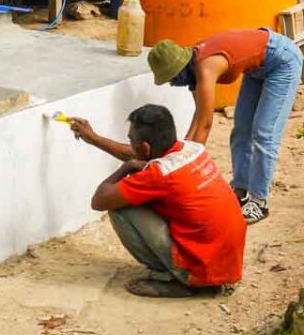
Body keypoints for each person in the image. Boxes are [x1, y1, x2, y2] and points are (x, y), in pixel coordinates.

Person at [70, 104, 246, 298]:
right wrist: (94, 138)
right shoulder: (192, 149)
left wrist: (125, 169)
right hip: (228, 262)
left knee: (120, 207)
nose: (130, 144)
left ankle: (181, 279)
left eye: (131, 140)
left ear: (145, 147)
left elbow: (100, 200)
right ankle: (195, 274)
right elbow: (138, 154)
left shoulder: (159, 174)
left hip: (202, 269)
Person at [146, 29, 303, 225]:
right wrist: (181, 152)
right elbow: (198, 115)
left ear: (179, 69)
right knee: (241, 132)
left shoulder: (204, 67)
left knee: (264, 134)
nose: (170, 84)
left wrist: (187, 168)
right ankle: (240, 189)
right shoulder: (193, 68)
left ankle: (259, 201)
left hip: (281, 60)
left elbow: (205, 124)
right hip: (256, 69)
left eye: (171, 78)